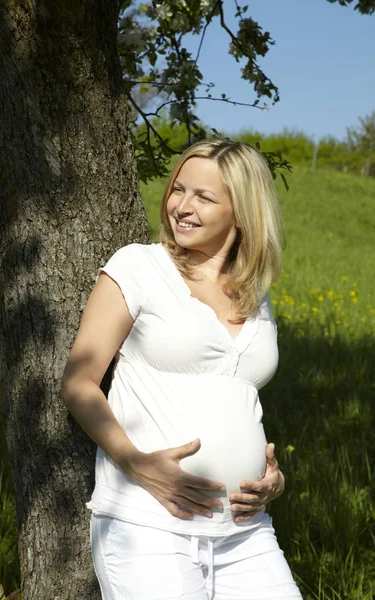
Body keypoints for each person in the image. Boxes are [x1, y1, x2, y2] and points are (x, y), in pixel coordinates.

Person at [61, 139, 303, 600]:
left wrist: (274, 479)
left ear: (243, 212)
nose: (181, 207)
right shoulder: (139, 266)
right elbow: (78, 382)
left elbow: (233, 399)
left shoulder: (256, 295)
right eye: (178, 190)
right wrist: (138, 464)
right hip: (147, 526)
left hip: (246, 531)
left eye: (204, 197)